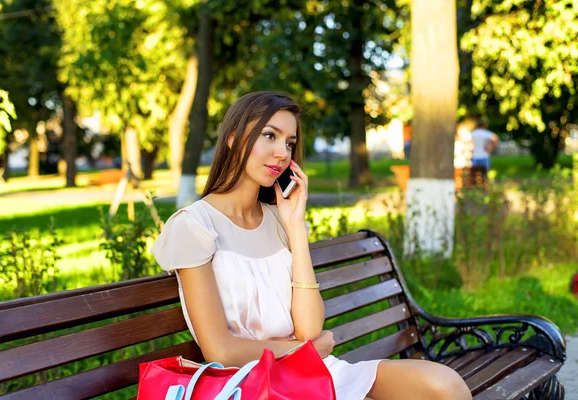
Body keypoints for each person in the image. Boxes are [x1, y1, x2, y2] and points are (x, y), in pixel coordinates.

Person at [151, 91, 471, 400]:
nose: (282, 153)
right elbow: (220, 350)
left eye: (289, 143)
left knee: (444, 386)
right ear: (233, 137)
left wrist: (294, 228)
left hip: (313, 370)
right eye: (270, 136)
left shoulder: (280, 220)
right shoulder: (193, 227)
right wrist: (301, 351)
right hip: (252, 383)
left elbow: (309, 327)